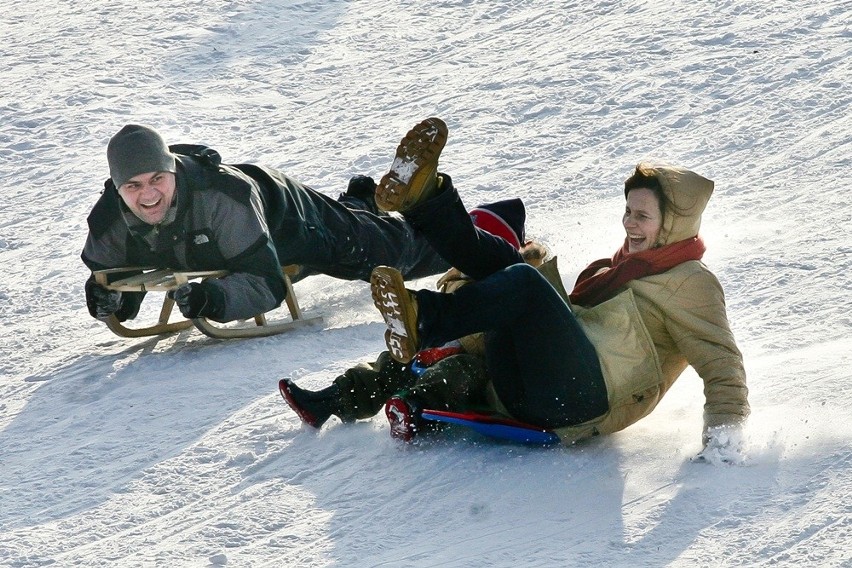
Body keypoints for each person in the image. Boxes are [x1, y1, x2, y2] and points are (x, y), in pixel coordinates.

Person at [345, 117, 749, 451]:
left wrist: (723, 448)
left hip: (581, 402)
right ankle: (425, 200)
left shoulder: (690, 282)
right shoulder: (618, 268)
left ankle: (423, 319)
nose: (629, 223)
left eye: (643, 216)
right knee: (508, 264)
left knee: (524, 281)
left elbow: (721, 362)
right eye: (628, 211)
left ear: (672, 225)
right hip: (531, 389)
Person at [81, 121, 453, 324]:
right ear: (117, 188)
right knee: (355, 224)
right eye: (133, 186)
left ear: (172, 171)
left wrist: (212, 299)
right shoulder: (108, 221)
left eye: (156, 180)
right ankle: (360, 199)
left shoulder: (222, 200)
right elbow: (116, 278)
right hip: (240, 240)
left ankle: (481, 229)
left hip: (290, 221)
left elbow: (267, 283)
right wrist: (111, 301)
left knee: (393, 255)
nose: (148, 195)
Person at [278, 197, 550, 441]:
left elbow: (492, 338)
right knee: (397, 360)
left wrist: (449, 347)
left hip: (494, 374)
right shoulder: (461, 279)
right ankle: (328, 401)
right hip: (454, 352)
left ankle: (414, 410)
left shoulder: (517, 284)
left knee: (458, 370)